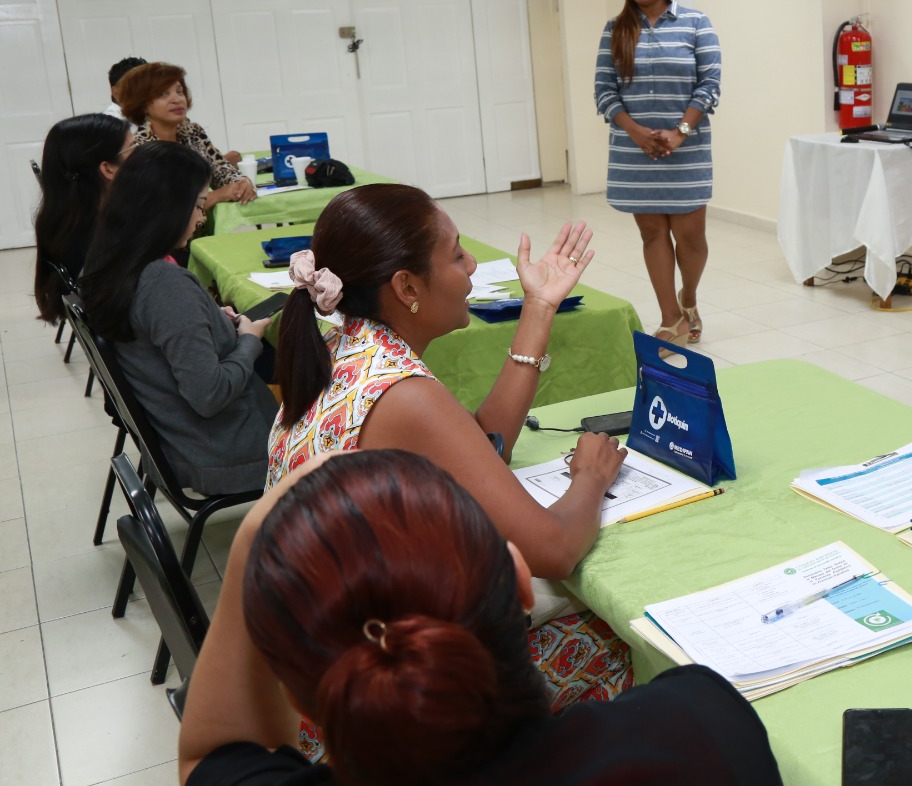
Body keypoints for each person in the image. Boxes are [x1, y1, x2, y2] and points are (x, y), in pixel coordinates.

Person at [177, 450, 783, 786]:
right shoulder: (699, 724)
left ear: (305, 707)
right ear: (521, 579)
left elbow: (210, 756)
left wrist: (257, 533)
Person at [268, 183, 632, 706]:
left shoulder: (344, 348)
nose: (473, 264)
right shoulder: (402, 394)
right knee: (624, 641)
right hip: (370, 706)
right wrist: (591, 479)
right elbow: (555, 551)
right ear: (407, 287)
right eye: (457, 253)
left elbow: (481, 448)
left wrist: (539, 307)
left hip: (313, 668)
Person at [81, 141, 276, 495]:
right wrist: (250, 339)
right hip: (227, 453)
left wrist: (207, 316)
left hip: (184, 439)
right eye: (199, 206)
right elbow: (210, 394)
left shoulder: (111, 261)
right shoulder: (164, 284)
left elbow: (155, 328)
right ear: (167, 209)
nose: (202, 218)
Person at [593, 0, 721, 345]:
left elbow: (710, 85)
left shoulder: (696, 23)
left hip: (687, 150)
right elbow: (604, 91)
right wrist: (635, 131)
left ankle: (688, 297)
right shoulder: (615, 30)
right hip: (636, 152)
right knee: (652, 236)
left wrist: (680, 131)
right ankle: (671, 318)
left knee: (691, 239)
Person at [32, 113, 135, 324]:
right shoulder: (106, 242)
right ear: (108, 169)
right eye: (133, 149)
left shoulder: (66, 222)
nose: (142, 156)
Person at [117, 61, 255, 207]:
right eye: (164, 94)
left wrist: (241, 184)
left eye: (179, 91)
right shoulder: (139, 149)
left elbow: (222, 172)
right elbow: (163, 209)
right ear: (143, 104)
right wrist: (216, 196)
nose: (177, 99)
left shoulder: (193, 133)